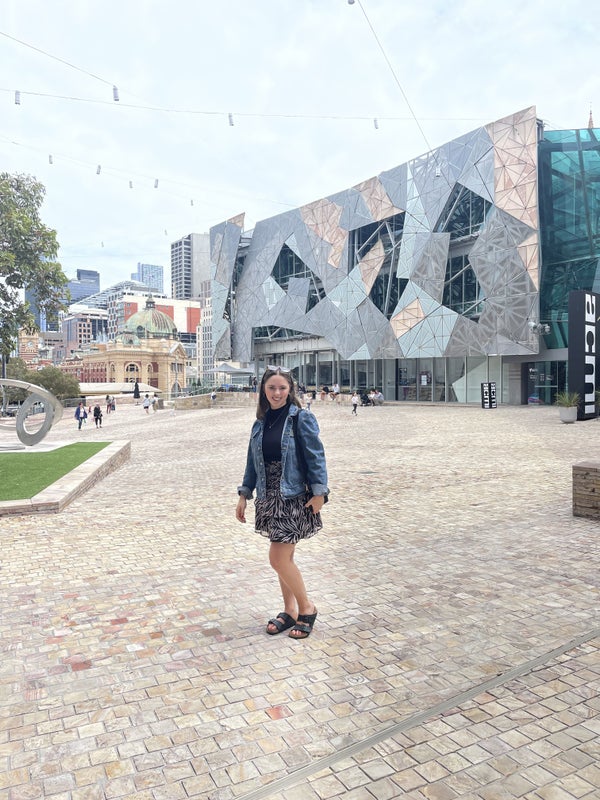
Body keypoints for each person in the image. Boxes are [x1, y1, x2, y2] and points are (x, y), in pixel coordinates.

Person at [236, 366, 328, 640]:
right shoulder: (260, 423)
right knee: (284, 559)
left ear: (290, 390)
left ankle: (307, 607)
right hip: (268, 496)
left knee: (277, 558)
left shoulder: (301, 418)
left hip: (293, 496)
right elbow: (252, 462)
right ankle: (290, 610)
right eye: (271, 388)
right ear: (263, 390)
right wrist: (244, 494)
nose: (277, 393)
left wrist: (320, 492)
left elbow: (316, 457)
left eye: (282, 388)